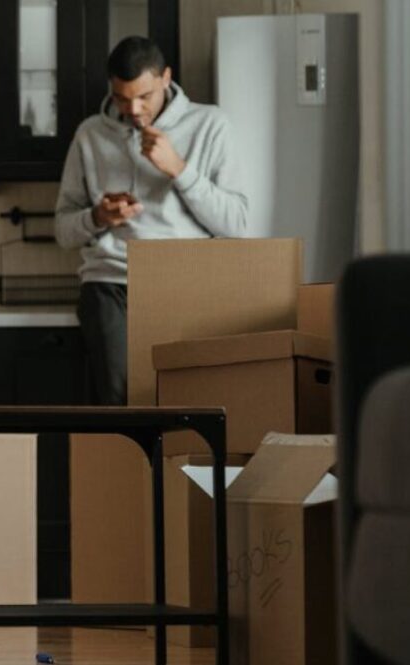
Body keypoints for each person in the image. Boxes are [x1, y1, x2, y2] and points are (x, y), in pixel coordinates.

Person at [55, 36, 249, 406]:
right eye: (122, 98)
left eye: (144, 96)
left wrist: (177, 168)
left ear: (166, 78)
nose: (135, 109)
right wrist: (98, 216)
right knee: (120, 404)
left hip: (188, 282)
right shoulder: (90, 135)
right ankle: (122, 467)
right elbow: (63, 231)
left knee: (190, 402)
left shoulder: (211, 124)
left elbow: (236, 224)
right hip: (110, 283)